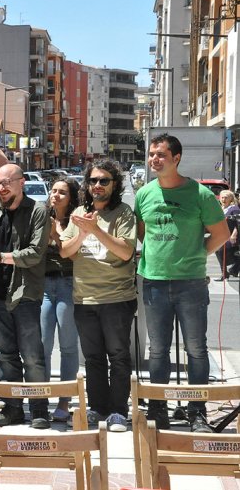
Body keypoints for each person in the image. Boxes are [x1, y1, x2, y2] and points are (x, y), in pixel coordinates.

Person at [135, 133, 229, 432]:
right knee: (158, 350)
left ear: (176, 158)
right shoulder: (143, 194)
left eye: (161, 154)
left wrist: (198, 253)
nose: (154, 159)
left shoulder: (200, 194)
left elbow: (221, 233)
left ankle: (197, 411)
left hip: (191, 283)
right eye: (152, 154)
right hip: (154, 282)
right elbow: (141, 233)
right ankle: (158, 409)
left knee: (196, 349)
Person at [60, 161, 137, 433]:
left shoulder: (123, 213)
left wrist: (96, 230)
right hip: (85, 298)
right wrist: (83, 231)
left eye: (104, 181)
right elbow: (65, 251)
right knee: (92, 358)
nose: (97, 186)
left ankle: (118, 411)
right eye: (93, 181)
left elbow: (126, 252)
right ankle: (97, 408)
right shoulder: (80, 212)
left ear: (114, 184)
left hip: (116, 298)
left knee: (118, 356)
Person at [0, 163, 51, 429]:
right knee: (5, 355)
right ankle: (13, 408)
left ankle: (40, 409)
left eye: (6, 183)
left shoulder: (37, 210)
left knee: (32, 356)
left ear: (21, 182)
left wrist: (1, 257)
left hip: (25, 293)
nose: (1, 188)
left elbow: (35, 253)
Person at [40, 178, 80, 423]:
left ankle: (64, 400)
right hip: (44, 284)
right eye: (53, 190)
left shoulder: (77, 219)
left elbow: (72, 253)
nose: (55, 195)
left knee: (67, 346)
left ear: (71, 196)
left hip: (68, 283)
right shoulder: (42, 215)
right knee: (42, 345)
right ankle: (42, 398)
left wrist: (55, 235)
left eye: (62, 192)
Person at [217, 190, 240, 280]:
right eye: (222, 197)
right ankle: (228, 271)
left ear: (231, 198)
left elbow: (238, 223)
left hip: (231, 235)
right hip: (221, 235)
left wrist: (234, 234)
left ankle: (232, 269)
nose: (223, 199)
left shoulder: (234, 209)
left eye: (226, 197)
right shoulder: (220, 208)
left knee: (221, 251)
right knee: (219, 251)